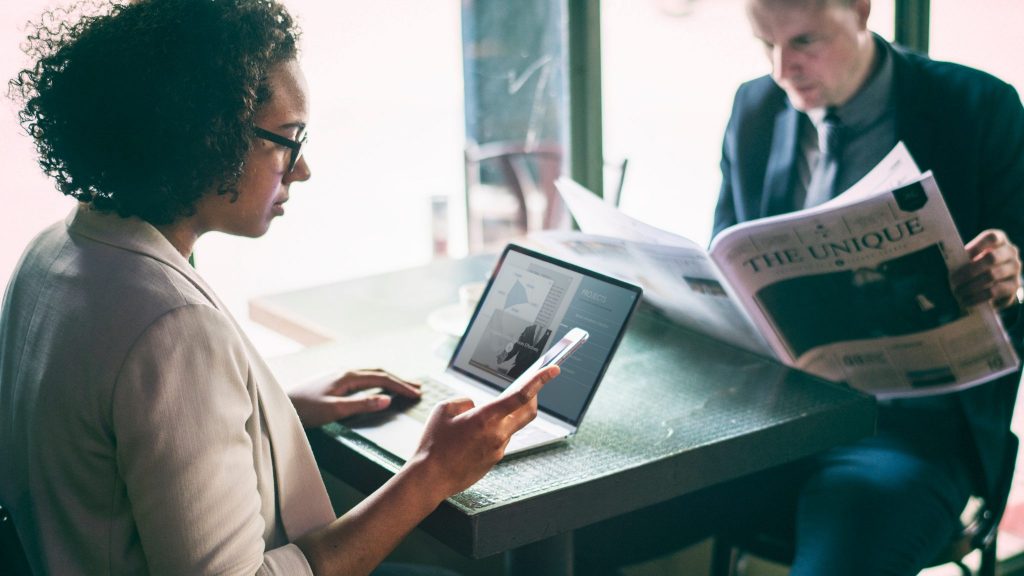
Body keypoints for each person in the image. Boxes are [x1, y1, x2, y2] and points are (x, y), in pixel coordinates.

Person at [0, 1, 560, 575]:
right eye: (288, 139)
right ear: (207, 139)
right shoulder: (173, 327)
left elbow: (120, 438)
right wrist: (432, 474)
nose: (301, 168)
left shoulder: (55, 251)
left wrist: (269, 414)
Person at [576, 0, 1024, 574]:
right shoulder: (755, 106)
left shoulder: (977, 105)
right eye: (766, 44)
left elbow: (1015, 259)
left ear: (861, 10)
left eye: (805, 41)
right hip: (767, 420)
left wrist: (1006, 274)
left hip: (909, 431)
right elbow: (726, 260)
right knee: (573, 532)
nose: (783, 69)